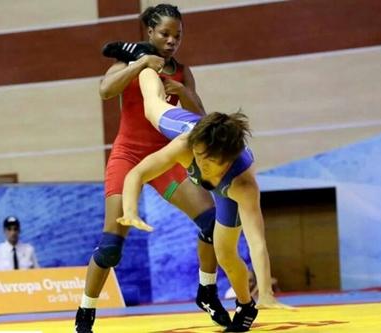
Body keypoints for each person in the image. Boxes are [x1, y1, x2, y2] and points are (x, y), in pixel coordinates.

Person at [75, 4, 230, 332]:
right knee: (110, 247)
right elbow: (105, 91)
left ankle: (206, 290)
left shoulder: (181, 71)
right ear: (148, 32)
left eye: (178, 35)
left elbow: (200, 115)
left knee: (211, 225)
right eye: (165, 34)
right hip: (127, 156)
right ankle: (85, 313)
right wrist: (141, 63)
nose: (172, 41)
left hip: (165, 160)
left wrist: (183, 92)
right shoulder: (128, 62)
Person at [115, 66, 293, 332]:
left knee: (225, 253)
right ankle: (143, 59)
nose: (202, 167)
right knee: (152, 107)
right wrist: (130, 209)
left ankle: (246, 305)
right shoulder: (186, 144)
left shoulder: (242, 184)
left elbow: (257, 243)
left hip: (226, 192)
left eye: (210, 164)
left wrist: (266, 292)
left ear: (227, 160)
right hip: (188, 127)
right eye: (200, 159)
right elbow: (138, 172)